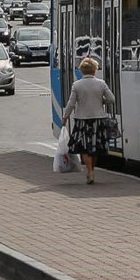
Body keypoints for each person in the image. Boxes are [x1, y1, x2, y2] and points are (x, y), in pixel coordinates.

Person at [59, 55, 117, 184]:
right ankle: (92, 170)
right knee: (95, 147)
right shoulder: (101, 83)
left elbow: (71, 104)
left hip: (82, 120)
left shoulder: (77, 85)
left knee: (84, 147)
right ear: (95, 70)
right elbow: (112, 99)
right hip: (99, 119)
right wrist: (101, 100)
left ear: (82, 70)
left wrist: (65, 117)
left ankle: (89, 171)